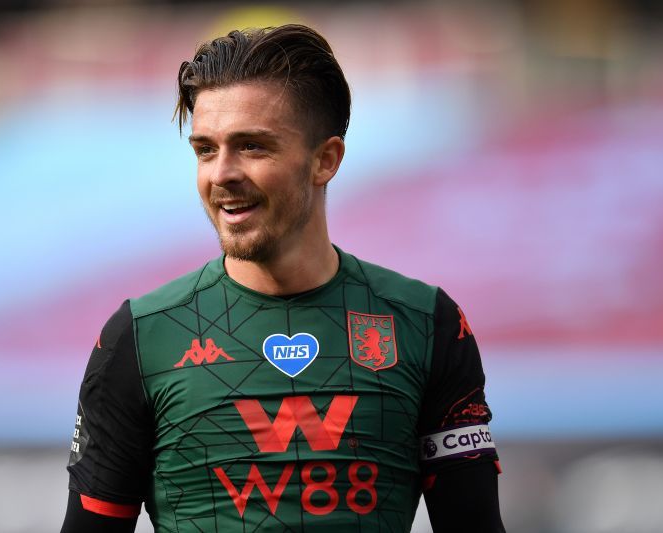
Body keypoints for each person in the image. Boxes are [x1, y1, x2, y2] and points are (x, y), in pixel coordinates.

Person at [60, 24, 504, 533]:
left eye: (251, 146)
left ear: (325, 160)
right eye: (205, 149)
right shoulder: (140, 336)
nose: (221, 174)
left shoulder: (426, 323)